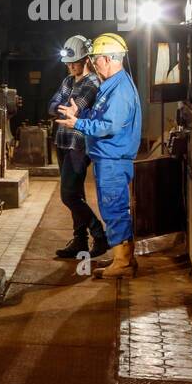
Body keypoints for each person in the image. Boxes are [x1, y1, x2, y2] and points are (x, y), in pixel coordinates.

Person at [54, 32, 141, 278]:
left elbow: (108, 126)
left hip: (113, 159)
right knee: (111, 208)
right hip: (107, 158)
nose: (92, 63)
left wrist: (77, 124)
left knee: (114, 209)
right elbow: (99, 117)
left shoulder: (120, 89)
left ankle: (123, 264)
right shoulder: (111, 85)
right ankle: (122, 258)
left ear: (110, 58)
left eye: (96, 59)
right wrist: (80, 115)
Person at [47, 35, 106, 260]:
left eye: (76, 62)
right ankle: (80, 241)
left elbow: (75, 109)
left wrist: (64, 109)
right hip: (62, 142)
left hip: (78, 145)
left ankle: (99, 234)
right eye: (69, 63)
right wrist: (62, 109)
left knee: (69, 195)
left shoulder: (92, 83)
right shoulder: (69, 81)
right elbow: (52, 105)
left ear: (87, 60)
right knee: (76, 194)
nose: (71, 66)